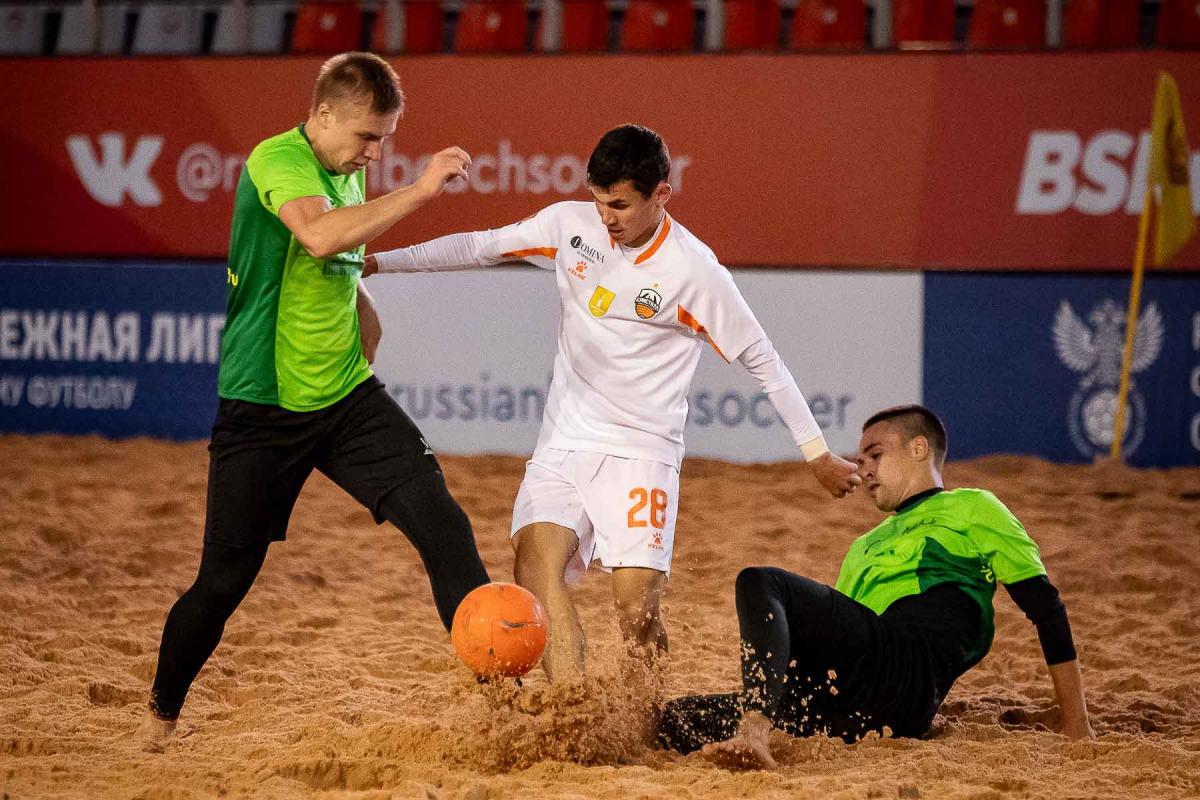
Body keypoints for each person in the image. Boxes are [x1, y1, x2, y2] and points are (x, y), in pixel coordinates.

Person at [363, 124, 861, 682]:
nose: (606, 218)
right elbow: (479, 247)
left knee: (635, 607)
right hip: (564, 442)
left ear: (661, 194)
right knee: (534, 568)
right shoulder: (570, 226)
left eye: (620, 205)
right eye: (599, 202)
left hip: (642, 452)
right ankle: (570, 704)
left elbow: (763, 361)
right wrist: (379, 262)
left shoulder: (695, 272)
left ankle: (643, 716)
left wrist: (817, 453)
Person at [146, 52, 491, 735]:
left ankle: (504, 700)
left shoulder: (344, 167)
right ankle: (159, 717)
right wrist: (421, 191)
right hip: (263, 407)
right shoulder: (276, 160)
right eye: (367, 137)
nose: (375, 153)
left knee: (444, 527)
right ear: (324, 114)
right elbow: (319, 235)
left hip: (346, 397)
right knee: (223, 582)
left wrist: (363, 309)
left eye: (385, 139)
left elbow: (336, 261)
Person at [657, 404, 1094, 769]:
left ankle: (756, 729)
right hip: (850, 709)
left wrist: (1076, 722)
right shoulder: (863, 545)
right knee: (674, 718)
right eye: (860, 459)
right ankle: (757, 719)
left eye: (874, 455)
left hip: (908, 677)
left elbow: (1046, 608)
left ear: (918, 449)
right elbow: (837, 642)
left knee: (760, 581)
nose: (862, 468)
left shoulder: (972, 506)